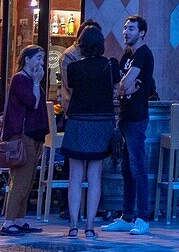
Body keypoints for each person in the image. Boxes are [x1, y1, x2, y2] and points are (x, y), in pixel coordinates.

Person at [60, 25, 119, 239]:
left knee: (75, 176)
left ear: (81, 45)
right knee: (95, 176)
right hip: (101, 123)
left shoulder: (74, 68)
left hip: (78, 122)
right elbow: (115, 89)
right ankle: (91, 226)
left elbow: (72, 89)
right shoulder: (110, 66)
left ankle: (74, 225)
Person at [103, 15, 155, 236]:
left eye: (131, 29)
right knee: (126, 169)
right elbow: (119, 86)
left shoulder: (144, 54)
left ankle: (143, 217)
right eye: (125, 28)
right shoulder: (126, 55)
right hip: (124, 117)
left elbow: (123, 84)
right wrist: (125, 87)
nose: (126, 32)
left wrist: (124, 87)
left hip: (136, 117)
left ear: (141, 32)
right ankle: (127, 215)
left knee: (138, 167)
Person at [0, 45, 49, 237]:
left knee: (28, 181)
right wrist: (37, 82)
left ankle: (19, 219)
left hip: (35, 135)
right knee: (20, 180)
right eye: (37, 58)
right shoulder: (20, 79)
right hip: (22, 136)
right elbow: (33, 102)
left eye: (42, 59)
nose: (41, 62)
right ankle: (8, 221)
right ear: (27, 59)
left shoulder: (30, 80)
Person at [59, 20, 101, 116]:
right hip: (75, 108)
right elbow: (71, 86)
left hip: (89, 108)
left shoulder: (92, 54)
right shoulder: (69, 56)